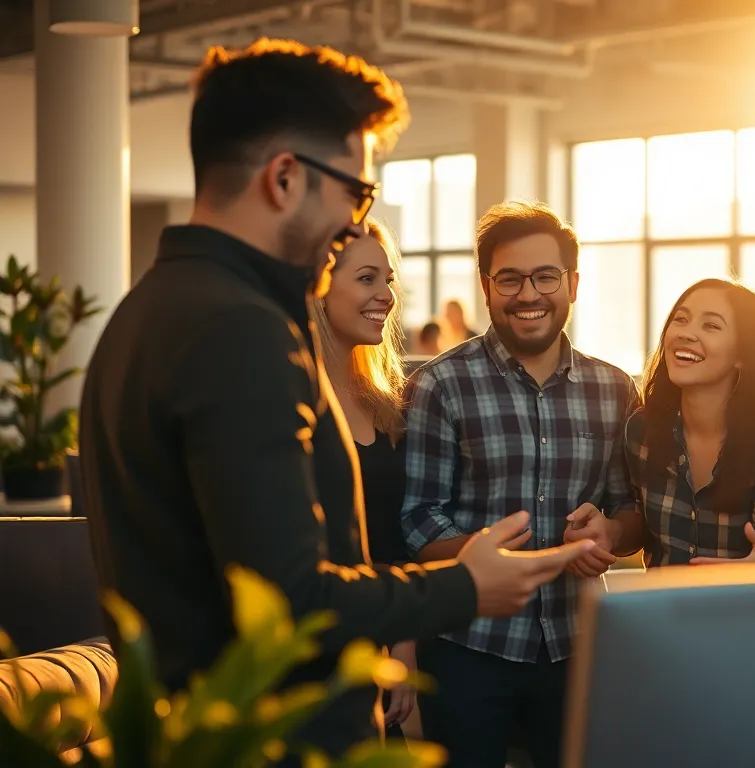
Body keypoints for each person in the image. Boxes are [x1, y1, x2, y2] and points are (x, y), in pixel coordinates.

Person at [78, 39, 591, 759]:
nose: (354, 224)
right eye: (355, 194)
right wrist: (464, 586)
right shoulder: (239, 329)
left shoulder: (152, 308)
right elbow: (292, 600)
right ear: (285, 178)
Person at [403, 201, 639, 768]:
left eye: (545, 276)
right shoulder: (439, 385)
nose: (528, 294)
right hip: (466, 647)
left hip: (577, 645)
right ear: (487, 287)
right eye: (510, 278)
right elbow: (416, 518)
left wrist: (610, 529)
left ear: (573, 284)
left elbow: (631, 511)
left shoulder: (614, 389)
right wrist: (488, 556)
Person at [311, 218, 416, 735]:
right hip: (318, 651)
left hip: (386, 641)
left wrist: (403, 642)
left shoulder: (388, 407)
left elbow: (397, 538)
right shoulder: (295, 404)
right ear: (320, 287)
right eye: (367, 279)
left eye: (388, 280)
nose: (386, 296)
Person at [623, 279, 755, 566]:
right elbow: (637, 526)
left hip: (741, 607)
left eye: (710, 326)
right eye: (681, 319)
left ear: (742, 356)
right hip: (663, 609)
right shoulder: (641, 430)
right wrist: (608, 530)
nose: (687, 333)